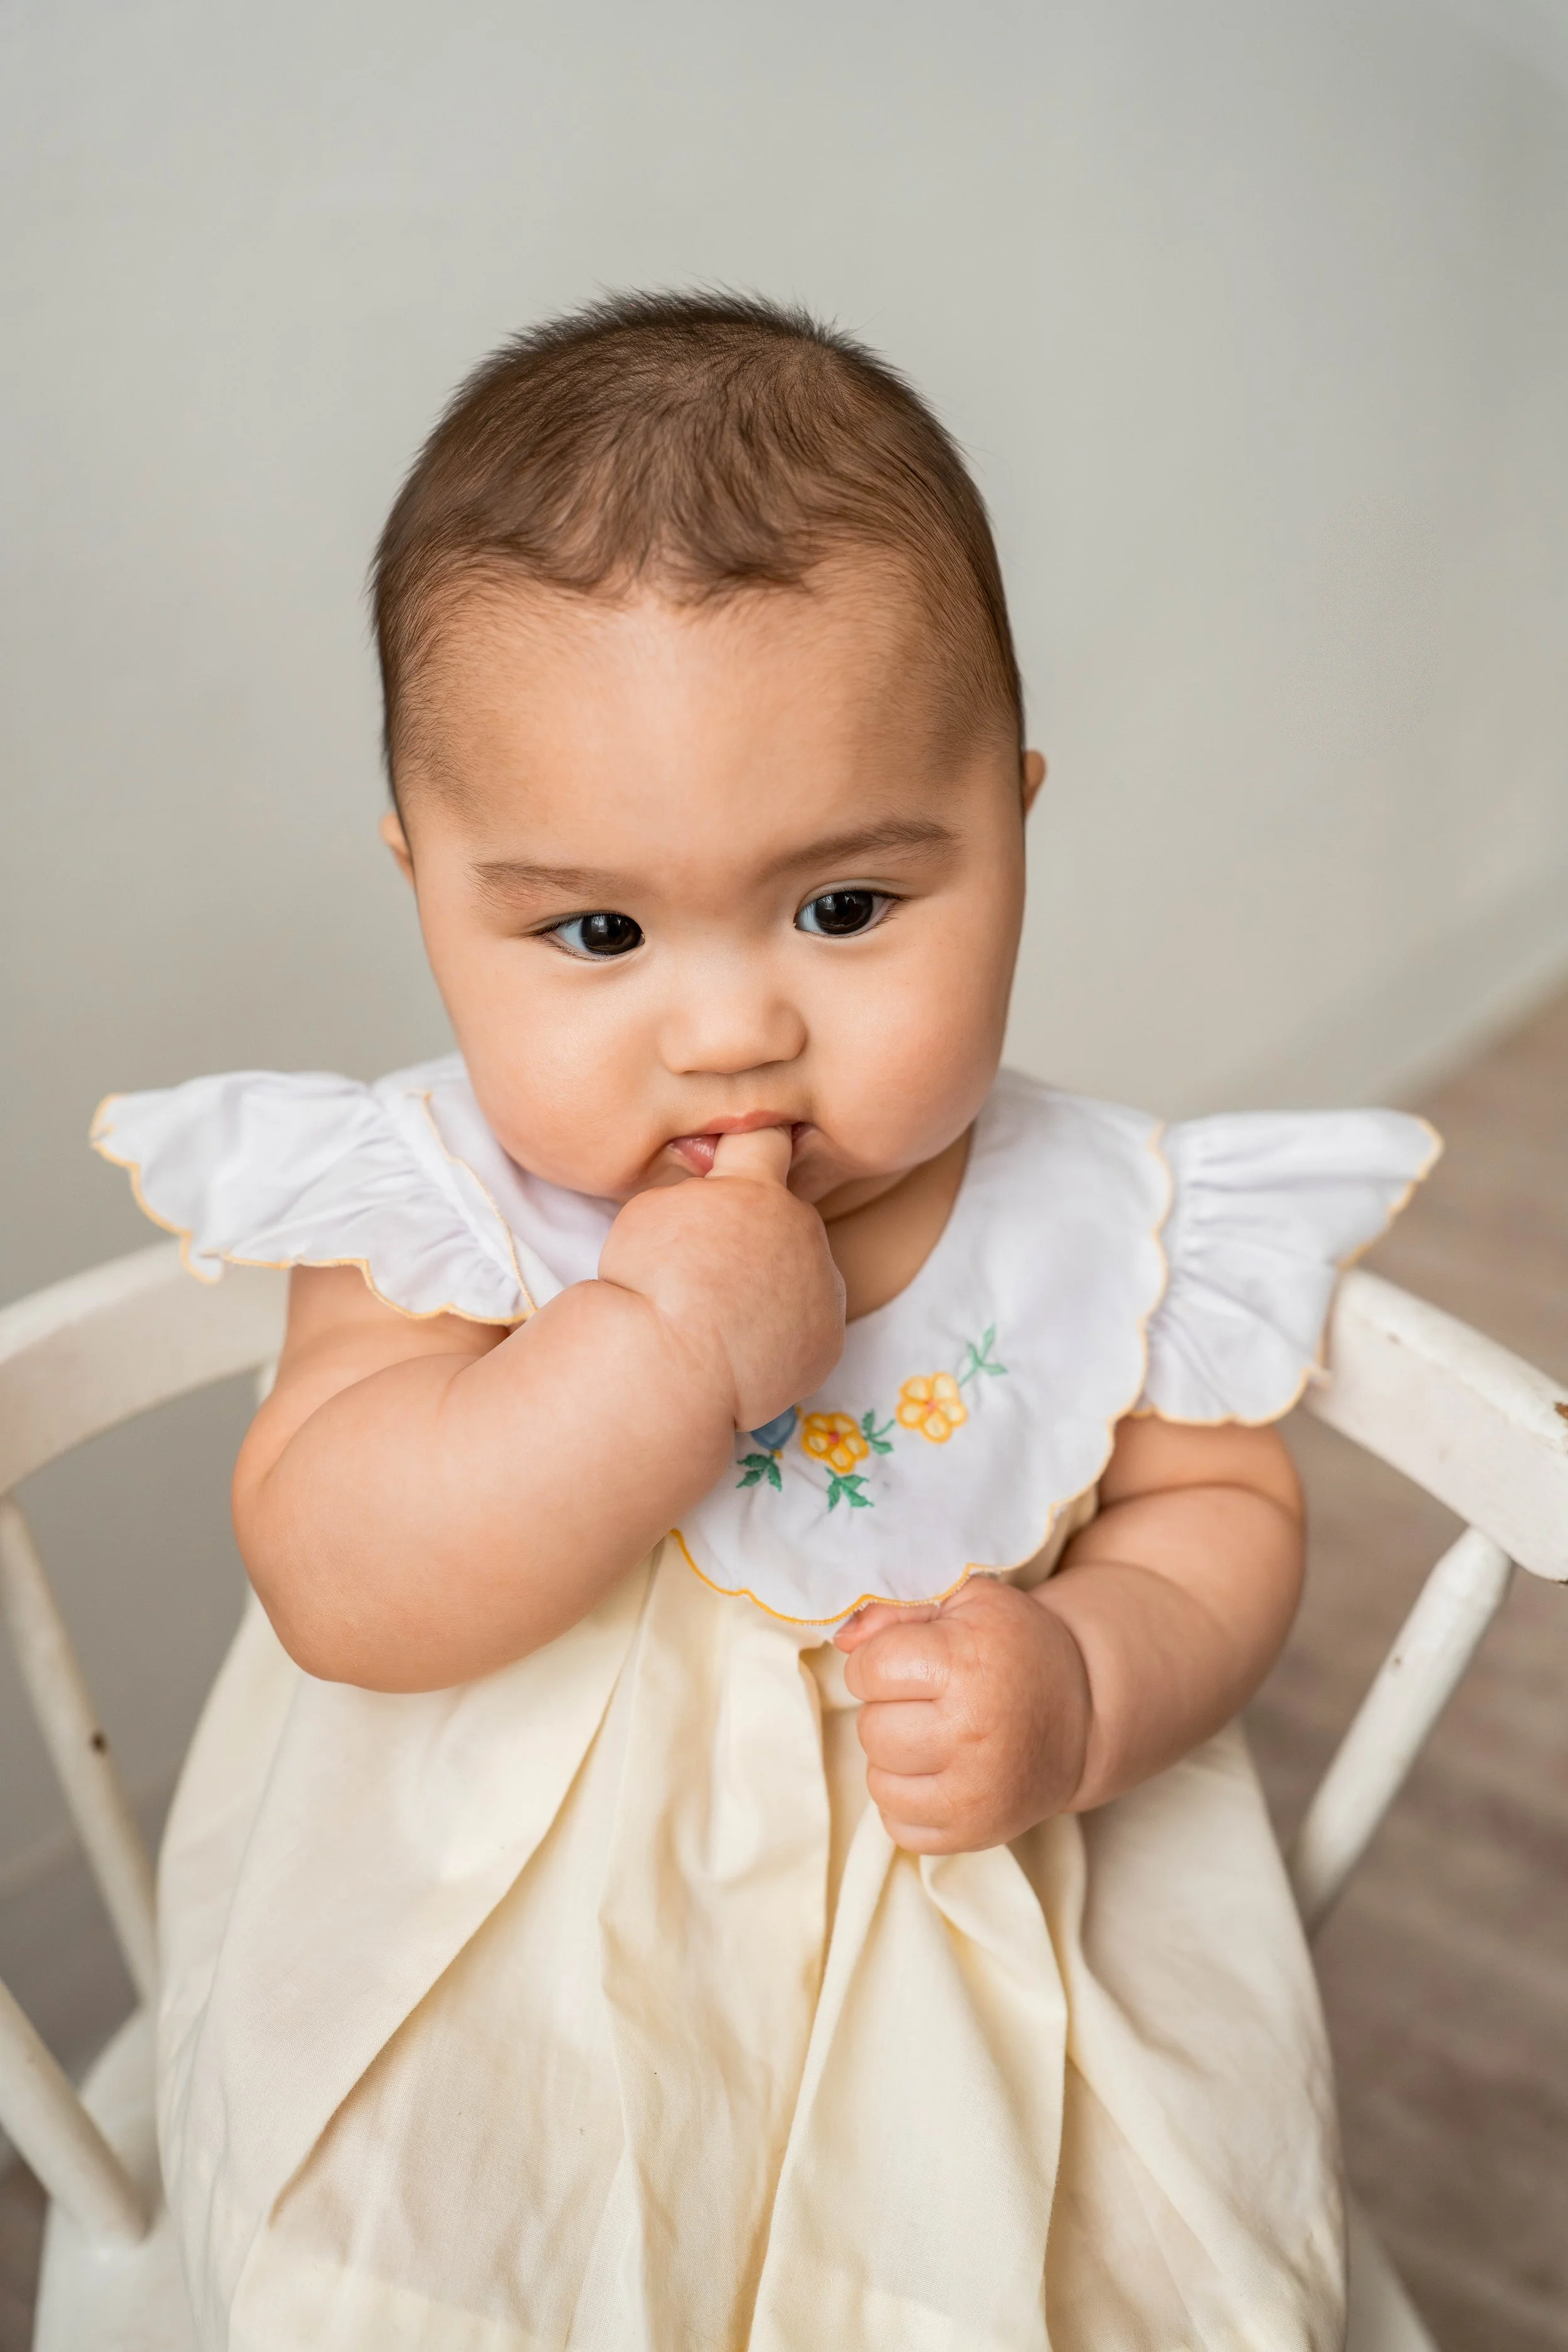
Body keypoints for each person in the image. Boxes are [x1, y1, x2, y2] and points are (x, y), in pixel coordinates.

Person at [95, 292, 1438, 2351]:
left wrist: (1081, 1679)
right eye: (595, 931)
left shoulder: (1097, 1218)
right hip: (511, 1986)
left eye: (844, 905)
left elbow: (1220, 1517)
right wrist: (652, 1348)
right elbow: (337, 1569)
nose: (731, 1027)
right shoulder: (440, 1215)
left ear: (1008, 820)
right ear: (428, 888)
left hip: (971, 1968)